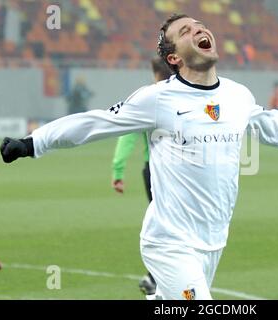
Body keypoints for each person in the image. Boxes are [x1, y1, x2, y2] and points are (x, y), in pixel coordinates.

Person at [0, 13, 278, 300]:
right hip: (169, 243)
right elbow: (92, 123)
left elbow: (277, 128)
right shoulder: (157, 99)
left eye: (200, 25)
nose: (199, 29)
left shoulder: (237, 96)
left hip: (214, 242)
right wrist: (33, 143)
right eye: (187, 30)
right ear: (173, 57)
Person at [111, 57, 173, 296]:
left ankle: (157, 277)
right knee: (174, 226)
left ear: (153, 72)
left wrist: (118, 171)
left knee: (165, 225)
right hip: (179, 172)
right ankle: (157, 277)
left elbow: (127, 135)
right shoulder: (187, 96)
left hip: (155, 171)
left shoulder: (149, 98)